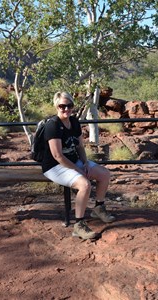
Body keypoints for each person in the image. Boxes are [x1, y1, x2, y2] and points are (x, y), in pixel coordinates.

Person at [42, 91, 115, 240]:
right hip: (55, 167)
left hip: (74, 162)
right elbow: (58, 156)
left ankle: (98, 208)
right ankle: (79, 225)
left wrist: (85, 163)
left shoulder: (74, 122)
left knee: (104, 174)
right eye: (62, 106)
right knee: (85, 185)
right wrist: (79, 170)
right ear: (56, 106)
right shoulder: (53, 126)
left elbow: (80, 146)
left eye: (69, 105)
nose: (66, 109)